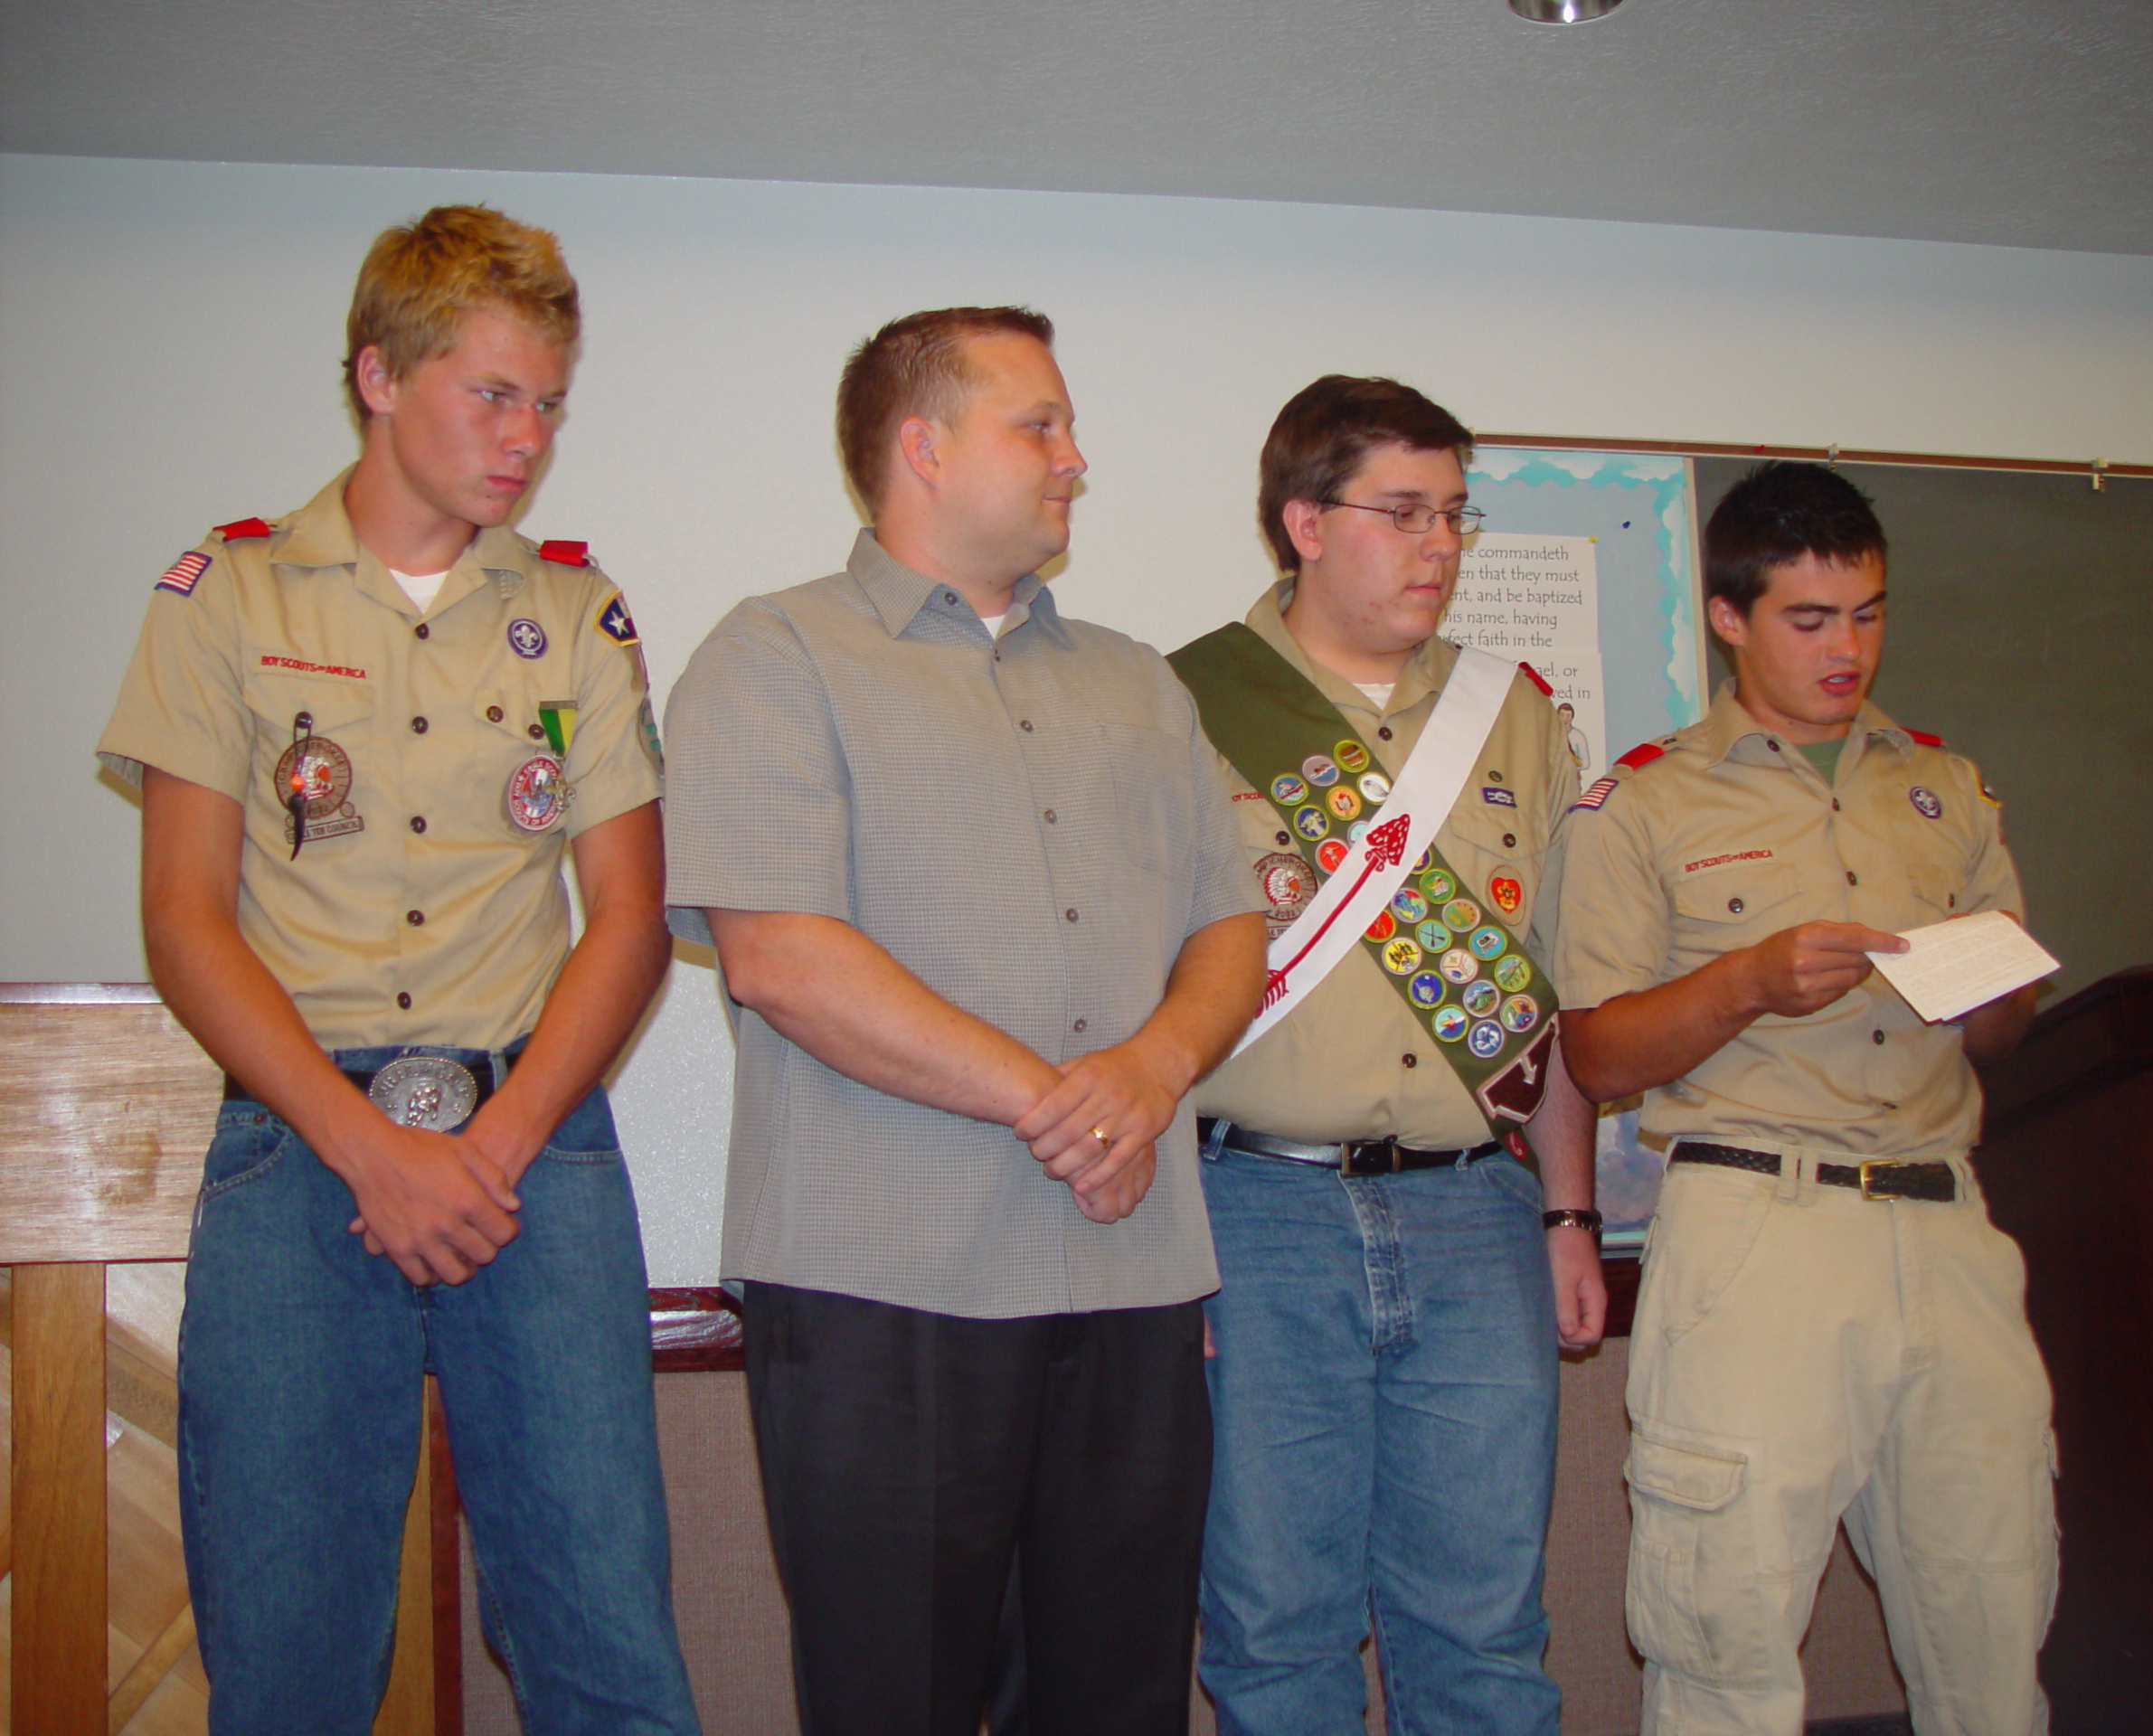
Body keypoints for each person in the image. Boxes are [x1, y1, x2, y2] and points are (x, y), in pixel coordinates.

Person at [96, 206, 698, 1733]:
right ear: (377, 372)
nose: (528, 439)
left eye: (550, 402)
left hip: (533, 1151)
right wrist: (373, 1149)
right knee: (290, 1651)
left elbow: (629, 918)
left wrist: (488, 1151)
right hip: (302, 1154)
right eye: (492, 395)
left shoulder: (573, 615)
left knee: (605, 1639)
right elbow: (185, 922)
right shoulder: (227, 598)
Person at [661, 306, 1267, 1736]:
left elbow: (1229, 925)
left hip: (1130, 1279)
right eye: (1039, 425)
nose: (1076, 459)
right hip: (883, 1291)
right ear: (921, 447)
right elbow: (781, 957)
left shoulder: (1139, 681)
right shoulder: (775, 657)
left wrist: (1149, 1070)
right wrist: (1059, 1101)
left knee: (1118, 1702)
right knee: (899, 1701)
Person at [1553, 460, 2056, 1735]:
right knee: (1725, 1629)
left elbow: (2004, 1032)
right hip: (1760, 1227)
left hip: (1947, 1222)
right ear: (1728, 616)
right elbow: (1600, 1058)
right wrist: (1748, 981)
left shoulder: (1944, 787)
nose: (1850, 649)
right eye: (1811, 619)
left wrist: (1991, 980)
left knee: (1995, 1612)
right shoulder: (1644, 801)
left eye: (1871, 613)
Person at [1168, 374, 1609, 1734]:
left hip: (1478, 1213)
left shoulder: (1515, 718)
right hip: (1253, 1212)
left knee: (1484, 1630)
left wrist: (1570, 1213)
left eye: (1456, 517)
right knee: (1275, 1627)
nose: (1442, 546)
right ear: (1304, 520)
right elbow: (1123, 1001)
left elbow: (1558, 1001)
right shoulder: (1178, 708)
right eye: (1403, 512)